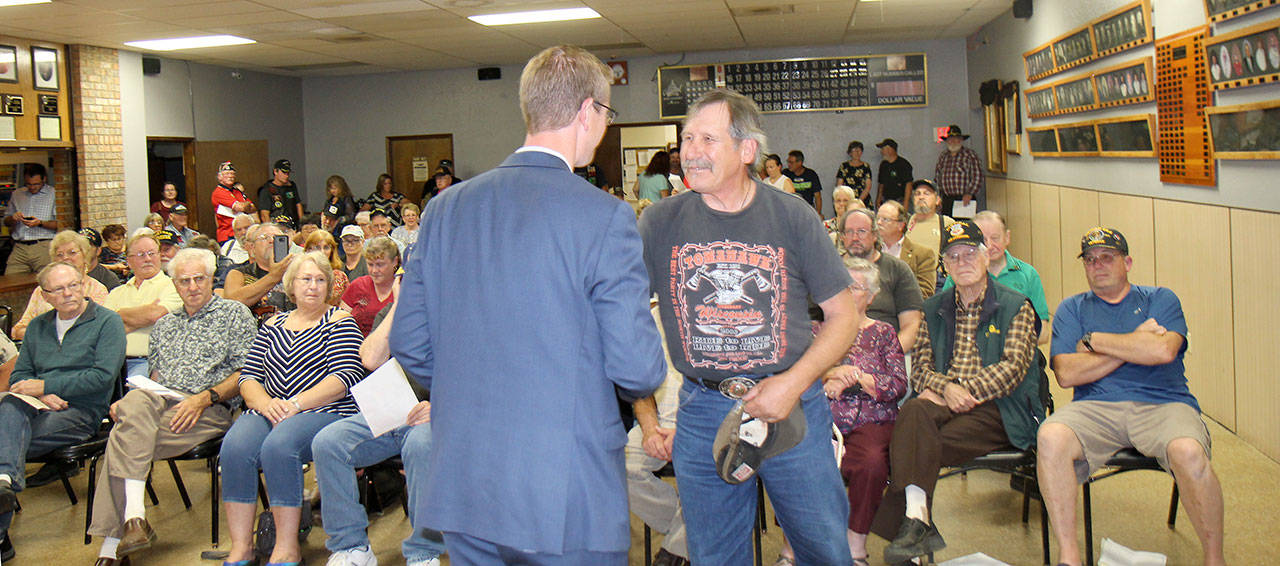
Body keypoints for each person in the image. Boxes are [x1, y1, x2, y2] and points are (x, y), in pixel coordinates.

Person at [391, 45, 665, 565]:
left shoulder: (444, 209)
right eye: (606, 115)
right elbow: (637, 367)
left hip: (467, 479)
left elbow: (410, 344)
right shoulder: (605, 217)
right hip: (565, 488)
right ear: (587, 111)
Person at [639, 89, 858, 565]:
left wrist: (791, 384)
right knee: (715, 557)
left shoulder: (792, 217)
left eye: (708, 139)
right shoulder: (658, 223)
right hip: (702, 411)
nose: (691, 151)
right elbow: (622, 321)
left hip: (792, 407)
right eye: (687, 138)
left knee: (825, 551)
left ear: (746, 150)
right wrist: (646, 413)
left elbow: (845, 317)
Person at [1037, 228, 1226, 566]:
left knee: (1189, 452)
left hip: (1164, 404)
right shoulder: (1071, 308)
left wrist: (1094, 341)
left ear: (1128, 262)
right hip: (1095, 409)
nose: (1098, 265)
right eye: (1090, 260)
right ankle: (1069, 557)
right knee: (1050, 437)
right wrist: (1135, 342)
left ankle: (1214, 559)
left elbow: (1164, 350)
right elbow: (1066, 374)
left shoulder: (1160, 299)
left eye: (1107, 257)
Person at [872, 220, 1041, 565]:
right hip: (944, 404)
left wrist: (962, 390)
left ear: (986, 255)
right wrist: (947, 388)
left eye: (969, 254)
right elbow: (919, 369)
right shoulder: (932, 309)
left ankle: (911, 527)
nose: (962, 262)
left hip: (999, 411)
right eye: (953, 257)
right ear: (945, 266)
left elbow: (1012, 369)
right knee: (914, 413)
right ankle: (918, 520)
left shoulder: (1015, 305)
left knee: (908, 444)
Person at [88, 248, 256, 566]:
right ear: (175, 285)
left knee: (122, 437)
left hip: (209, 408)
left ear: (211, 280)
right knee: (134, 402)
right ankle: (133, 521)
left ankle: (113, 543)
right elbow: (154, 378)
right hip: (161, 403)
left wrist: (204, 397)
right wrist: (131, 400)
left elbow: (246, 374)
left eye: (199, 279)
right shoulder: (165, 325)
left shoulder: (234, 314)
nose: (192, 287)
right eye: (184, 281)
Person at [219, 252, 365, 566]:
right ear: (291, 286)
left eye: (320, 280)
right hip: (271, 408)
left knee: (279, 445)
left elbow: (344, 377)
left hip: (324, 410)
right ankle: (242, 546)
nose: (313, 286)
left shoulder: (339, 321)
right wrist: (265, 403)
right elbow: (248, 377)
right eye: (305, 279)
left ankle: (287, 546)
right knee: (234, 447)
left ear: (328, 286)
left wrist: (295, 404)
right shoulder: (272, 324)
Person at [777, 259, 907, 566]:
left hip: (871, 419)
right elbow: (791, 375)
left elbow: (898, 385)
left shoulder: (885, 333)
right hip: (820, 416)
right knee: (792, 460)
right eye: (841, 286)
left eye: (857, 287)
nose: (848, 293)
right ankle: (791, 549)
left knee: (872, 463)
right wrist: (830, 375)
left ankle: (855, 546)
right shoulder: (811, 331)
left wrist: (857, 380)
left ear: (872, 296)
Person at [0, 262, 126, 560]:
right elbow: (19, 376)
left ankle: (2, 519)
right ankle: (3, 484)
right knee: (8, 406)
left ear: (83, 285)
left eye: (73, 285)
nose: (68, 293)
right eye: (58, 289)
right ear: (45, 295)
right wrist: (41, 391)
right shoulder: (37, 327)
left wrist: (45, 386)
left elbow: (102, 378)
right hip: (32, 408)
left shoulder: (107, 322)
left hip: (82, 412)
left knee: (5, 438)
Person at [311, 294, 446, 566]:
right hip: (393, 411)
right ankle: (352, 548)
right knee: (328, 443)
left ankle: (424, 553)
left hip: (442, 417)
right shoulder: (395, 311)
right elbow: (371, 358)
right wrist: (399, 304)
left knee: (421, 444)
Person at [626, 305, 689, 566]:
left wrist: (685, 430)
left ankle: (675, 552)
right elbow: (638, 385)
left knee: (710, 477)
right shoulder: (651, 317)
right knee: (618, 465)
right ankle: (690, 532)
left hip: (707, 423)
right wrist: (650, 429)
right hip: (658, 421)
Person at [940, 210, 1050, 342]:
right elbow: (944, 324)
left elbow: (1043, 333)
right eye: (983, 240)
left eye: (995, 238)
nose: (990, 246)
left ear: (1007, 237)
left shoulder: (1028, 274)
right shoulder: (959, 276)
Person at [837, 208, 925, 354]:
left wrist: (888, 357)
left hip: (885, 354)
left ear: (875, 235)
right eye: (849, 232)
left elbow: (912, 325)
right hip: (834, 355)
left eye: (862, 231)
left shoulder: (897, 269)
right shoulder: (828, 269)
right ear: (842, 237)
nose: (855, 238)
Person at [103, 233, 183, 380]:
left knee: (132, 396)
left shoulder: (174, 286)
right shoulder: (116, 292)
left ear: (159, 256)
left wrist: (118, 316)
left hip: (150, 363)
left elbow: (155, 314)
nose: (147, 259)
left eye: (151, 253)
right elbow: (104, 329)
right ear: (129, 261)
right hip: (112, 363)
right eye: (140, 255)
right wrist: (142, 317)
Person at [11, 231, 111, 340]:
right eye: (60, 254)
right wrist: (43, 337)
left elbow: (98, 330)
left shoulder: (97, 289)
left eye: (72, 252)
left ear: (84, 256)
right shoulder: (43, 291)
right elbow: (18, 330)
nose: (66, 258)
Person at [224, 222, 295, 324]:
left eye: (277, 238)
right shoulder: (239, 273)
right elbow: (231, 303)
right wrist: (274, 276)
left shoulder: (298, 271)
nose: (271, 241)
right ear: (252, 248)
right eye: (264, 237)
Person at [4, 163, 59, 275]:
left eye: (36, 184)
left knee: (47, 279)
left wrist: (40, 223)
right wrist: (13, 218)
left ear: (44, 179)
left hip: (44, 245)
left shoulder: (53, 194)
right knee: (10, 278)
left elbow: (61, 224)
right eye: (29, 184)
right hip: (20, 247)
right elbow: (6, 221)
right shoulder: (17, 194)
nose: (32, 187)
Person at [877, 200, 938, 298]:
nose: (879, 223)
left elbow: (926, 292)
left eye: (885, 219)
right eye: (877, 218)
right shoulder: (870, 250)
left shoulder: (922, 254)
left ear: (900, 225)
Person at [340, 236, 399, 336]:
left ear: (395, 262)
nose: (374, 271)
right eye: (370, 265)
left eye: (380, 265)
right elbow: (340, 320)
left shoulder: (403, 288)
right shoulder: (358, 285)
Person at [933, 125, 984, 218]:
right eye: (950, 139)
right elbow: (938, 177)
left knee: (964, 227)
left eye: (956, 139)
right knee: (948, 227)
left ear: (961, 140)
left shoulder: (970, 155)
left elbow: (978, 176)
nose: (953, 141)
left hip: (964, 199)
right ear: (947, 141)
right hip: (947, 200)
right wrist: (939, 196)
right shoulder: (943, 156)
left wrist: (969, 193)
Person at [905, 179, 954, 258]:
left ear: (937, 200)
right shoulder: (905, 223)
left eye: (926, 193)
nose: (921, 197)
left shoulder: (946, 223)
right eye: (917, 194)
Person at [211, 162, 255, 243]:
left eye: (232, 174)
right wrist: (245, 206)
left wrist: (245, 206)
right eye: (227, 174)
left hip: (243, 234)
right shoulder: (219, 192)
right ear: (219, 177)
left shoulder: (237, 191)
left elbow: (253, 208)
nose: (230, 176)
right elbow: (241, 207)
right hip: (228, 236)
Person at [304, 229, 348, 305]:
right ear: (308, 250)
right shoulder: (300, 275)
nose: (322, 252)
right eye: (317, 247)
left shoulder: (340, 277)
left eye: (326, 248)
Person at [257, 159, 304, 227]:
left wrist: (302, 224)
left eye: (288, 173)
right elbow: (264, 214)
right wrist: (271, 230)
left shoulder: (291, 186)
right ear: (275, 171)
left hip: (293, 224)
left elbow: (298, 205)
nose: (286, 176)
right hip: (276, 225)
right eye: (284, 173)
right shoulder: (266, 190)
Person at [875, 139, 912, 207]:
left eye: (883, 149)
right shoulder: (884, 165)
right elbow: (881, 183)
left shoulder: (903, 164)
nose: (881, 152)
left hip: (900, 200)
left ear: (890, 150)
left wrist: (906, 203)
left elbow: (908, 184)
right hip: (886, 200)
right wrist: (879, 198)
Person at [836, 141, 874, 207]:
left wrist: (859, 201)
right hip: (847, 198)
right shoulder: (844, 166)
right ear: (850, 153)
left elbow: (868, 186)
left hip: (863, 198)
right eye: (854, 151)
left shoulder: (866, 166)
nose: (857, 153)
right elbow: (839, 185)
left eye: (859, 150)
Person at [784, 149, 823, 213]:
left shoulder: (811, 174)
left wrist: (818, 213)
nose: (788, 165)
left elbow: (817, 196)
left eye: (791, 162)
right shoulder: (785, 174)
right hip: (790, 209)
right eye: (788, 162)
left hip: (807, 209)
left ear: (799, 163)